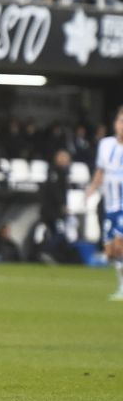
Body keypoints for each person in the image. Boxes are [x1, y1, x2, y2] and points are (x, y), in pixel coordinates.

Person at [86, 107, 123, 300]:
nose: (121, 125)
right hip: (109, 203)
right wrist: (91, 189)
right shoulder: (106, 144)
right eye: (119, 121)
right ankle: (121, 286)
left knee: (120, 245)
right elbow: (100, 170)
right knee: (110, 252)